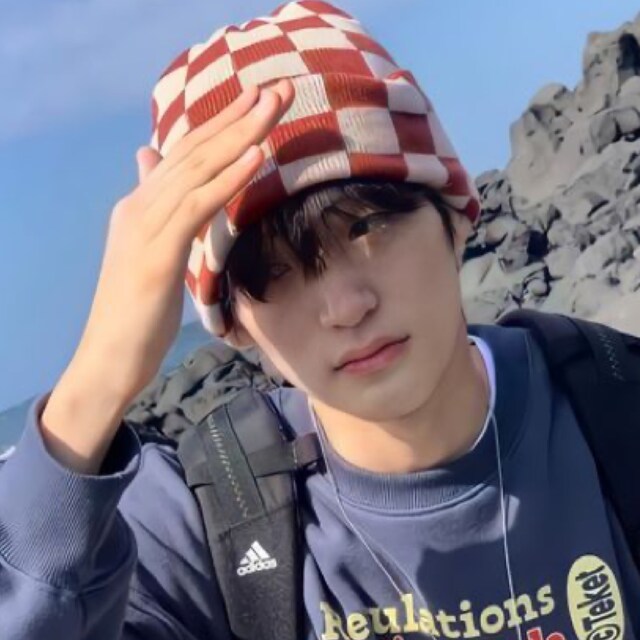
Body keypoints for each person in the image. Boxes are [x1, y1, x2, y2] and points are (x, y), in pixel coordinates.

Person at [0, 1, 638, 638]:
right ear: (233, 323)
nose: (346, 306)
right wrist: (95, 385)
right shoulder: (196, 530)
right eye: (273, 272)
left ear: (455, 211)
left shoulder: (614, 409)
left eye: (369, 225)